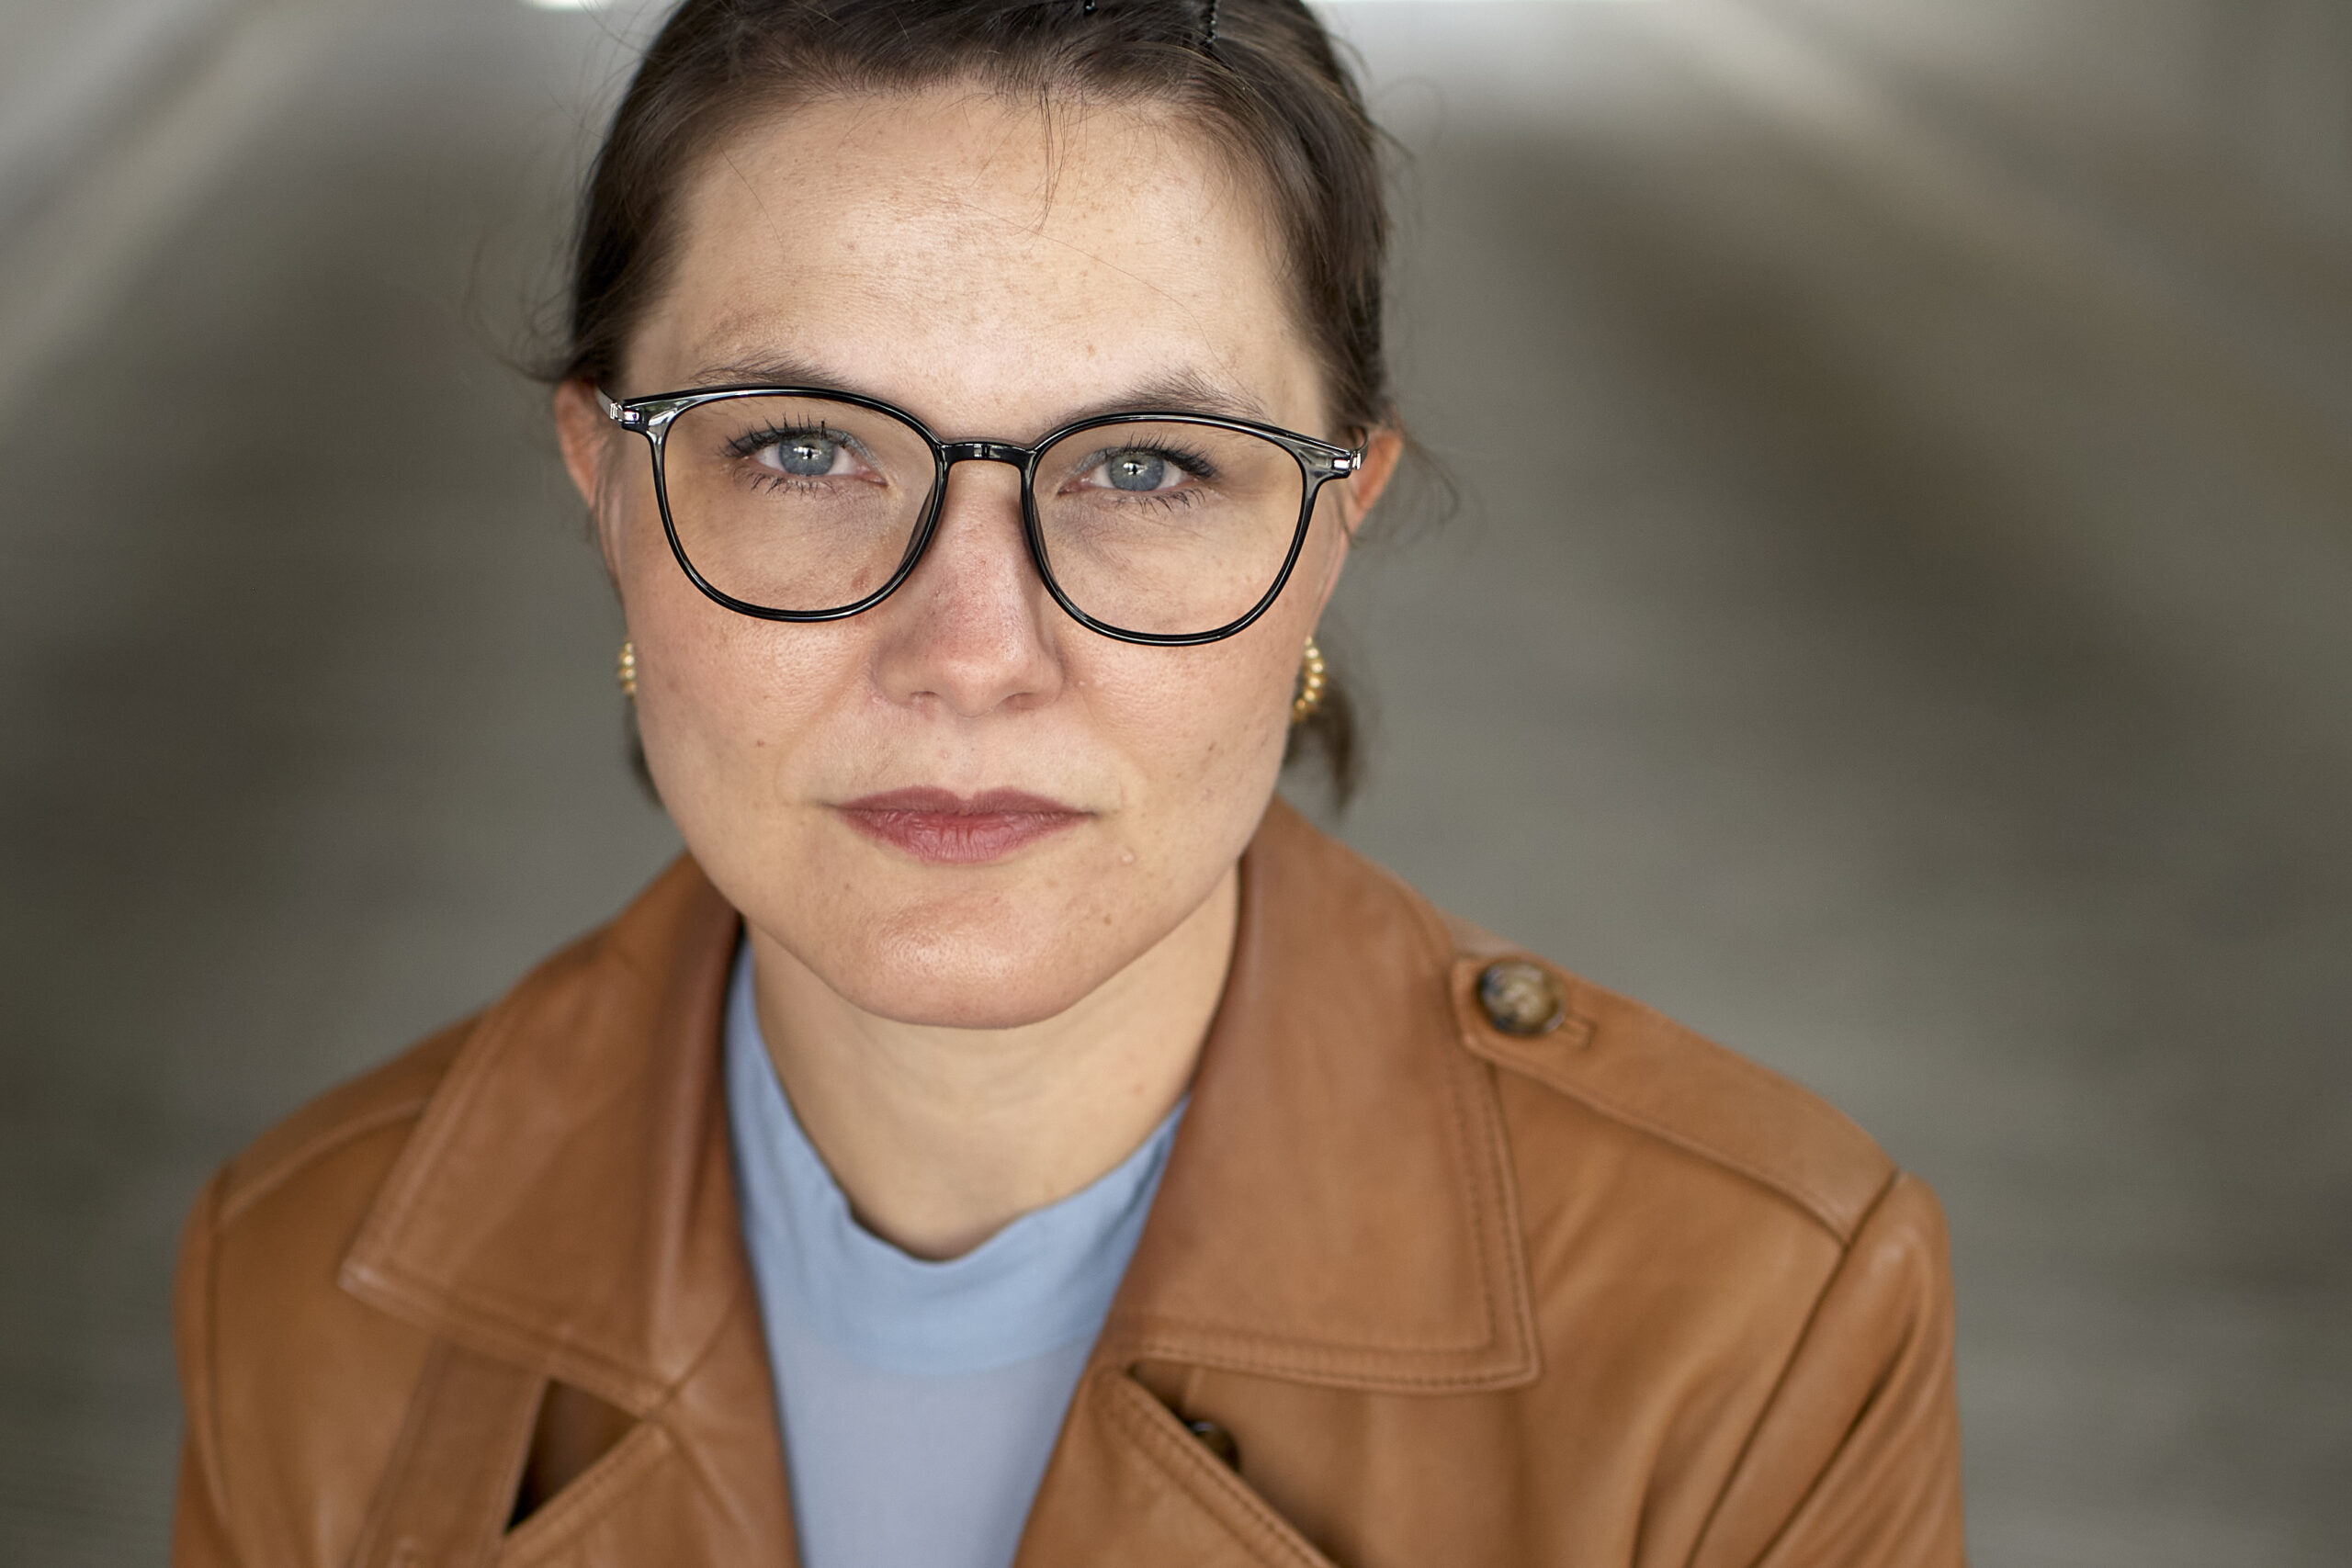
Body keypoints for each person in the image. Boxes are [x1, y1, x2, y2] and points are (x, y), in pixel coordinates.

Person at [169, 2, 1966, 1563]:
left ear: (1331, 524)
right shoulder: (306, 1276)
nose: (970, 649)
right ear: (609, 485)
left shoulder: (1750, 1322)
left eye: (1147, 467)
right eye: (803, 449)